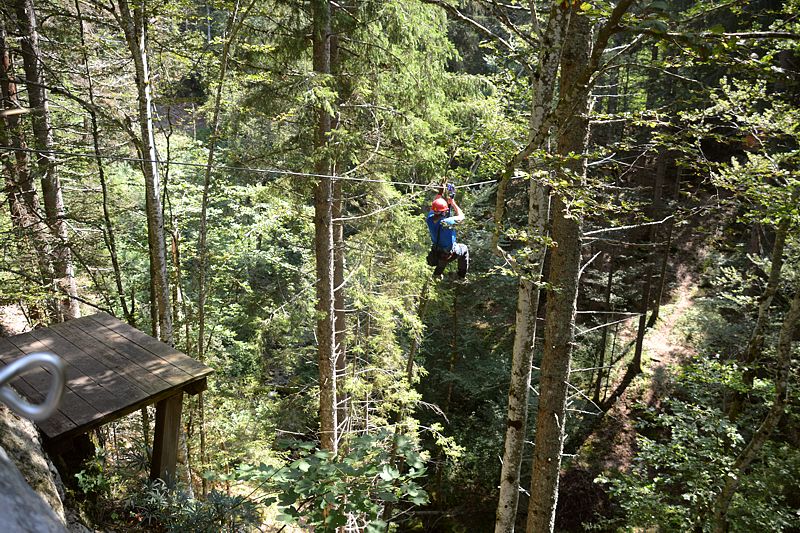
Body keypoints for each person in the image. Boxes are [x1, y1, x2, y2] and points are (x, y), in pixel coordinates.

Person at [426, 187, 469, 279]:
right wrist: (453, 204)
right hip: (449, 252)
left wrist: (440, 192)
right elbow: (462, 216)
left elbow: (436, 204)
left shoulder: (429, 219)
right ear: (444, 211)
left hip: (437, 251)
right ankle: (461, 275)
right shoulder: (448, 222)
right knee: (464, 249)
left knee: (443, 257)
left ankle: (437, 274)